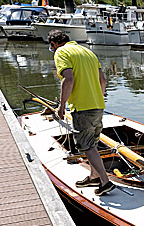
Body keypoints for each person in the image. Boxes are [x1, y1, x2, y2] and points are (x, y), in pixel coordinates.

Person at [47, 30, 115, 196]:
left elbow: (68, 79)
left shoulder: (61, 52)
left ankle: (105, 182)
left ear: (54, 44)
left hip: (82, 107)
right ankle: (93, 176)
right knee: (92, 142)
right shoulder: (87, 51)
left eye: (51, 46)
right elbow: (102, 80)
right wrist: (98, 99)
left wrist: (62, 105)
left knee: (86, 145)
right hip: (98, 105)